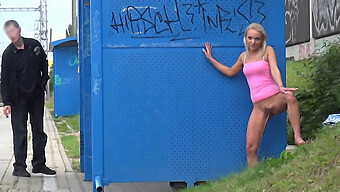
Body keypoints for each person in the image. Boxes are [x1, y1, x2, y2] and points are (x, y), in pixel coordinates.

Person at [202, 23, 305, 167]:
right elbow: (230, 72)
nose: (253, 42)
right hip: (259, 107)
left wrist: (281, 86)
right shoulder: (243, 57)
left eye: (257, 39)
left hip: (274, 98)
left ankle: (298, 137)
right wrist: (211, 59)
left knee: (290, 96)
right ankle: (255, 179)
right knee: (250, 149)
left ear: (262, 40)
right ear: (245, 38)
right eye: (250, 38)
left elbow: (274, 69)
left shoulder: (268, 51)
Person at [1, 20, 56, 177]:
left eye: (13, 31)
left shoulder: (34, 46)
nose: (11, 35)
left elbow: (44, 64)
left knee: (38, 131)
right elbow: (4, 79)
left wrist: (43, 81)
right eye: (8, 32)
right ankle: (19, 167)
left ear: (19, 29)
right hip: (18, 100)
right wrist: (7, 103)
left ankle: (39, 164)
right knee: (20, 133)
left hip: (36, 97)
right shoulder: (7, 54)